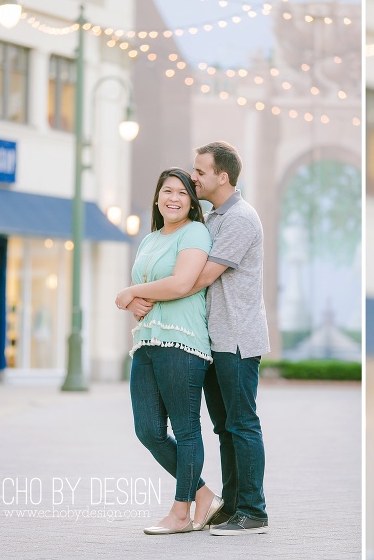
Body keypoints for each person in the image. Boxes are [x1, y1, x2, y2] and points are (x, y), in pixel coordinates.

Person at [130, 141, 270, 535]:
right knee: (224, 427)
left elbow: (198, 279)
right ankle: (231, 504)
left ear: (222, 177)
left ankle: (253, 510)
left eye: (200, 172)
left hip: (237, 337)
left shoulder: (240, 218)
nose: (193, 178)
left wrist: (139, 293)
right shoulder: (212, 220)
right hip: (213, 337)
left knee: (242, 424)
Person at [115, 168, 224, 535]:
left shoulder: (196, 232)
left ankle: (181, 512)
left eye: (182, 192)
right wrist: (134, 300)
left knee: (186, 428)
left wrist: (130, 292)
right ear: (157, 196)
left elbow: (181, 282)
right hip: (146, 341)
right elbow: (147, 286)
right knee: (148, 430)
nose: (173, 198)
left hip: (182, 341)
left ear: (191, 202)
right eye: (167, 191)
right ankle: (203, 494)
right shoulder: (149, 239)